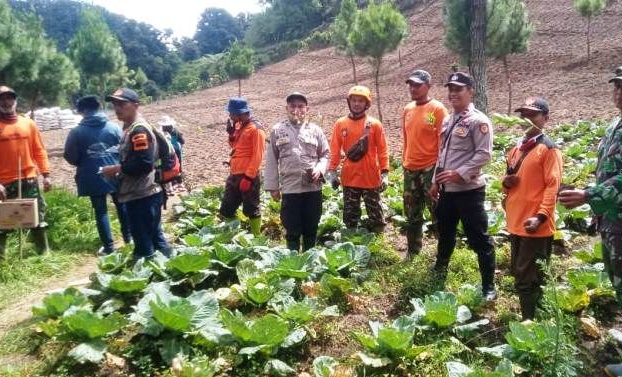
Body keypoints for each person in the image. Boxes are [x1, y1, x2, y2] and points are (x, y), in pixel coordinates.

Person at [428, 72, 496, 301]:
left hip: (469, 192)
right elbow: (442, 154)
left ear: (470, 91)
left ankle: (488, 286)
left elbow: (484, 154)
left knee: (479, 238)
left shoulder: (479, 121)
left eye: (459, 89)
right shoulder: (448, 119)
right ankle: (440, 269)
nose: (453, 93)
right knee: (445, 232)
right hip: (447, 191)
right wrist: (434, 181)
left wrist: (460, 173)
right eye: (451, 89)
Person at [502, 97, 562, 320]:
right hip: (516, 222)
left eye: (533, 115)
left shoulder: (548, 149)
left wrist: (541, 216)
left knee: (528, 277)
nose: (527, 119)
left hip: (534, 225)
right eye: (524, 115)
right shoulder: (516, 149)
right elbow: (509, 179)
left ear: (545, 119)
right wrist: (505, 182)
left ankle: (531, 323)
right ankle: (537, 316)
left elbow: (552, 186)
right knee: (522, 272)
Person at [101, 88, 170, 260]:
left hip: (142, 195)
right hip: (143, 193)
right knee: (156, 238)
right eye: (115, 104)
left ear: (136, 105)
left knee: (144, 245)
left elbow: (144, 164)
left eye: (122, 104)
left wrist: (117, 169)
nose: (117, 108)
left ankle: (150, 279)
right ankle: (174, 272)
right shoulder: (129, 128)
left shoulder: (138, 130)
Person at [63, 95, 132, 255]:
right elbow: (125, 150)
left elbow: (70, 156)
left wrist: (84, 162)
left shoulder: (76, 132)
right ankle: (129, 239)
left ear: (81, 111)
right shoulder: (113, 127)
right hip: (116, 173)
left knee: (101, 211)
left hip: (92, 175)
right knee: (122, 205)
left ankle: (109, 247)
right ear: (98, 108)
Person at [264, 92, 330, 251]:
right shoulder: (278, 131)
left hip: (312, 188)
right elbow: (271, 159)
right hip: (290, 188)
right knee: (292, 228)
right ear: (286, 108)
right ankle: (293, 261)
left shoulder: (316, 130)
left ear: (307, 109)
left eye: (300, 106)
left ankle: (310, 258)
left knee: (311, 226)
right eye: (292, 106)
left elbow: (326, 154)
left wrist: (319, 169)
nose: (296, 110)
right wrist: (273, 186)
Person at [325, 85, 390, 233]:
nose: (356, 103)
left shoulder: (374, 124)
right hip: (350, 177)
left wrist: (385, 173)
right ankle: (351, 239)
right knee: (350, 215)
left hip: (370, 176)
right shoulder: (340, 124)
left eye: (360, 101)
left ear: (367, 104)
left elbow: (382, 150)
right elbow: (335, 149)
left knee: (376, 215)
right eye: (354, 100)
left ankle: (379, 243)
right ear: (349, 102)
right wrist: (332, 171)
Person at [401, 70, 449, 258]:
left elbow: (442, 142)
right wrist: (405, 162)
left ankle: (443, 254)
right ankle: (413, 251)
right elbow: (406, 139)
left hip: (430, 168)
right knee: (411, 213)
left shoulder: (437, 109)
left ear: (428, 86)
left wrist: (439, 170)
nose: (413, 88)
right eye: (411, 85)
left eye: (418, 85)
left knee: (437, 212)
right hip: (410, 169)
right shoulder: (407, 109)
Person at [0, 85, 51, 258]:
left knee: (37, 216)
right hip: (4, 184)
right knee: (2, 222)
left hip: (29, 179)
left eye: (9, 98)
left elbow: (39, 150)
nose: (6, 102)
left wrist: (46, 175)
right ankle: (2, 260)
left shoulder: (28, 124)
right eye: (2, 98)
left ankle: (43, 253)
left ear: (15, 100)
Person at [219, 98, 265, 236]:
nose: (230, 116)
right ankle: (235, 233)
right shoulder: (241, 126)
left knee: (251, 209)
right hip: (234, 174)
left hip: (247, 176)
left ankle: (257, 237)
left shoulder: (256, 129)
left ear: (240, 113)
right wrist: (231, 135)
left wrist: (249, 177)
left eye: (231, 113)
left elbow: (258, 155)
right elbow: (236, 148)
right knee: (226, 209)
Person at [158, 115, 185, 193]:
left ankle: (171, 184)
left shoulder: (162, 133)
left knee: (169, 166)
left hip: (168, 151)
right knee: (178, 165)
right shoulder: (175, 131)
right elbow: (182, 141)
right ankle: (179, 182)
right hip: (177, 150)